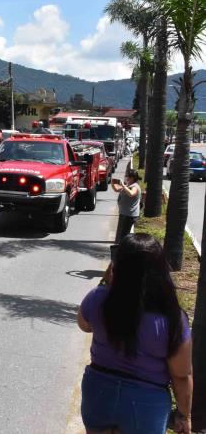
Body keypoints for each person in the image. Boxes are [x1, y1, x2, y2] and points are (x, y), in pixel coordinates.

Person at [78, 234, 192, 434]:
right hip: (146, 402)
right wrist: (183, 415)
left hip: (98, 390)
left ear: (116, 266)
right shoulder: (172, 318)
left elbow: (84, 325)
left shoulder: (98, 298)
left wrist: (107, 279)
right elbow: (181, 375)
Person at [112, 170, 141, 244]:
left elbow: (131, 193)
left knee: (124, 235)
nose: (126, 178)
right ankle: (119, 248)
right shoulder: (128, 185)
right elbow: (116, 189)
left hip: (129, 215)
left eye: (127, 176)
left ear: (132, 178)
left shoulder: (135, 186)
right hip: (124, 213)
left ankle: (122, 250)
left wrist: (124, 185)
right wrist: (113, 183)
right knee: (120, 234)